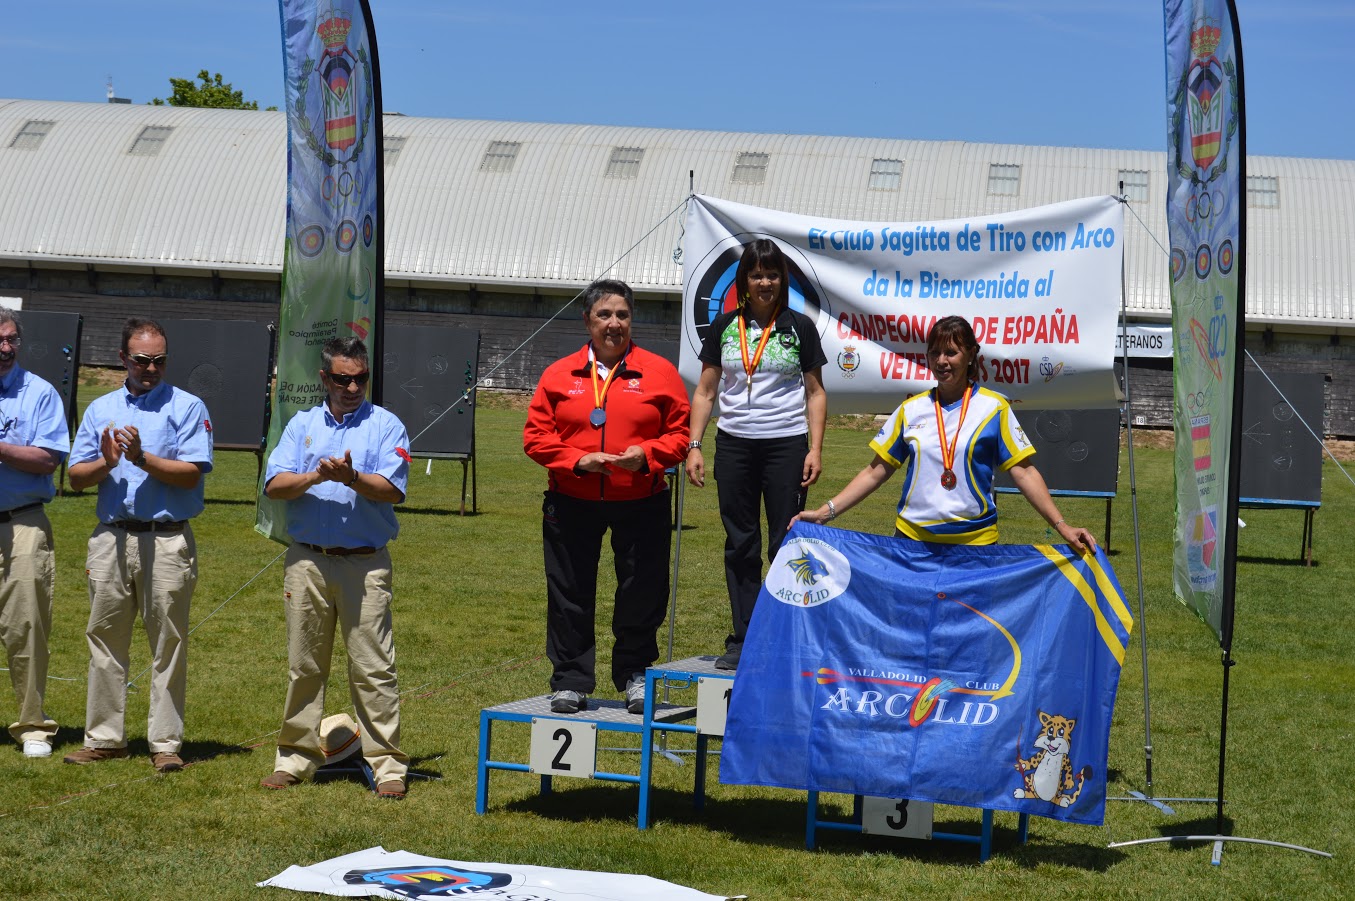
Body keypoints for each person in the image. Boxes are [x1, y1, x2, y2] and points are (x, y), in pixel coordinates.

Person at [524, 278, 690, 714]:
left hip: (642, 498)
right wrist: (576, 461)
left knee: (642, 589)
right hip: (571, 499)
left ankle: (635, 675)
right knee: (569, 592)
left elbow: (680, 434)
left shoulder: (660, 373)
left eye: (622, 315)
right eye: (604, 315)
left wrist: (648, 454)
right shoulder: (558, 375)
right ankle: (570, 681)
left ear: (632, 320)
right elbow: (535, 437)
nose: (614, 323)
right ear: (587, 321)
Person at [793, 315, 1096, 552]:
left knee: (970, 632)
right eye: (935, 352)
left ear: (971, 355)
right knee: (910, 630)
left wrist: (1062, 526)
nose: (941, 361)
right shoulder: (911, 409)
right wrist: (825, 512)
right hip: (911, 543)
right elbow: (875, 472)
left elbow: (1025, 473)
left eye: (951, 352)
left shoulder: (994, 408)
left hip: (974, 548)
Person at [260, 336, 411, 799]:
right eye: (343, 378)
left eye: (360, 378)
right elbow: (275, 484)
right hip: (306, 562)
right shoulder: (300, 425)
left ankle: (387, 766)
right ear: (324, 378)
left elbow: (393, 490)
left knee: (373, 667)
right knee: (304, 666)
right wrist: (317, 476)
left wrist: (352, 478)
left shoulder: (386, 425)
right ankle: (294, 758)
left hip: (364, 565)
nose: (352, 386)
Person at [65, 318, 213, 772]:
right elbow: (74, 478)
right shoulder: (101, 408)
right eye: (142, 359)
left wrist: (142, 459)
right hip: (111, 538)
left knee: (168, 643)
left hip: (166, 540)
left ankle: (165, 744)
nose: (151, 368)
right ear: (123, 359)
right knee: (105, 639)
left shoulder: (187, 407)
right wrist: (107, 462)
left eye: (159, 359)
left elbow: (193, 471)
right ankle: (105, 738)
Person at [685, 239, 827, 670]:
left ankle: (786, 633)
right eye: (756, 274)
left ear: (783, 279)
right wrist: (694, 445)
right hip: (734, 446)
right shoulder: (724, 326)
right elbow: (706, 391)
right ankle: (743, 637)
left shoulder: (799, 326)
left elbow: (816, 393)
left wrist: (815, 448)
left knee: (786, 542)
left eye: (772, 273)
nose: (765, 281)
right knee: (741, 542)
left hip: (785, 445)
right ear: (743, 280)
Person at [0, 308, 69, 759]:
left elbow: (48, 459)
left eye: (11, 340)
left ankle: (32, 727)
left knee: (25, 625)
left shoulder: (39, 393)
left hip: (21, 523)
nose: (5, 349)